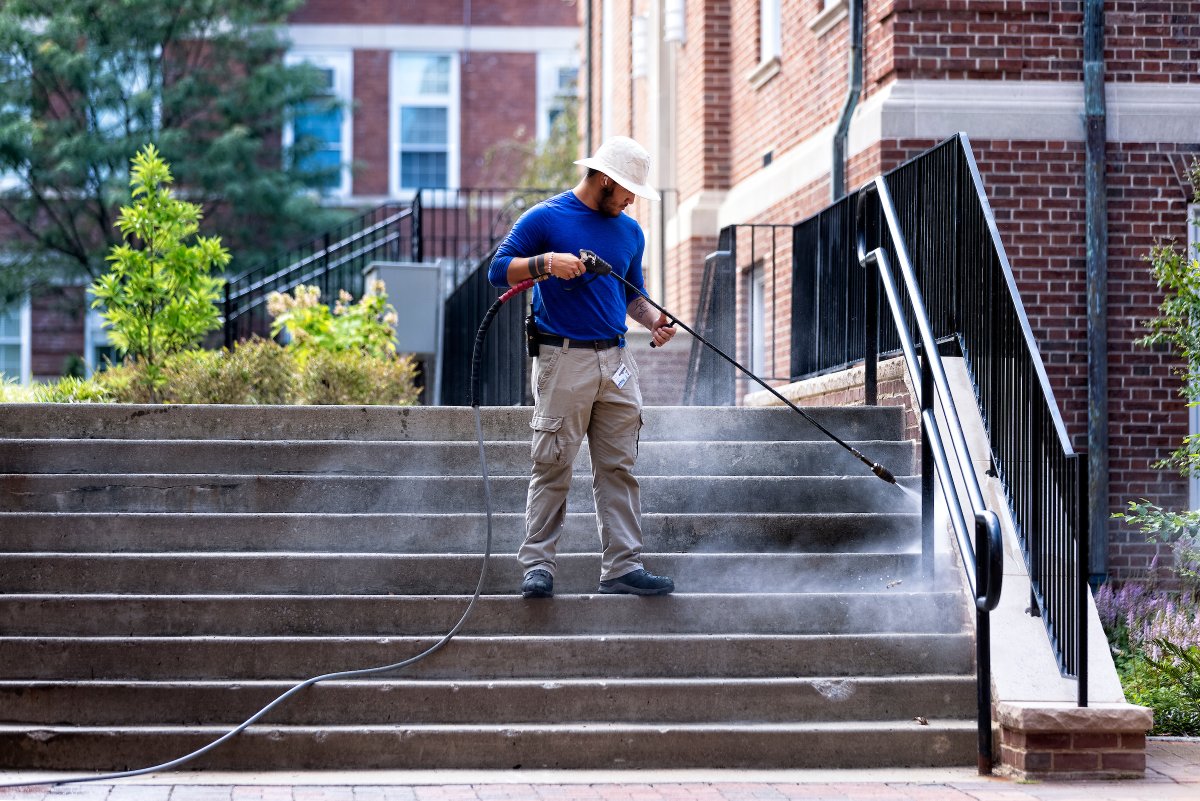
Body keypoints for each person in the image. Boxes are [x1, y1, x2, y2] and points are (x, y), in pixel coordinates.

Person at [488, 136, 677, 599]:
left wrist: (654, 320)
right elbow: (498, 269)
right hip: (563, 358)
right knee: (553, 464)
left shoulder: (630, 232)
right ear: (605, 180)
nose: (632, 198)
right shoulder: (546, 218)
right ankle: (537, 566)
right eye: (628, 189)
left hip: (616, 359)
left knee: (619, 466)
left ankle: (622, 567)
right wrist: (546, 263)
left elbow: (631, 293)